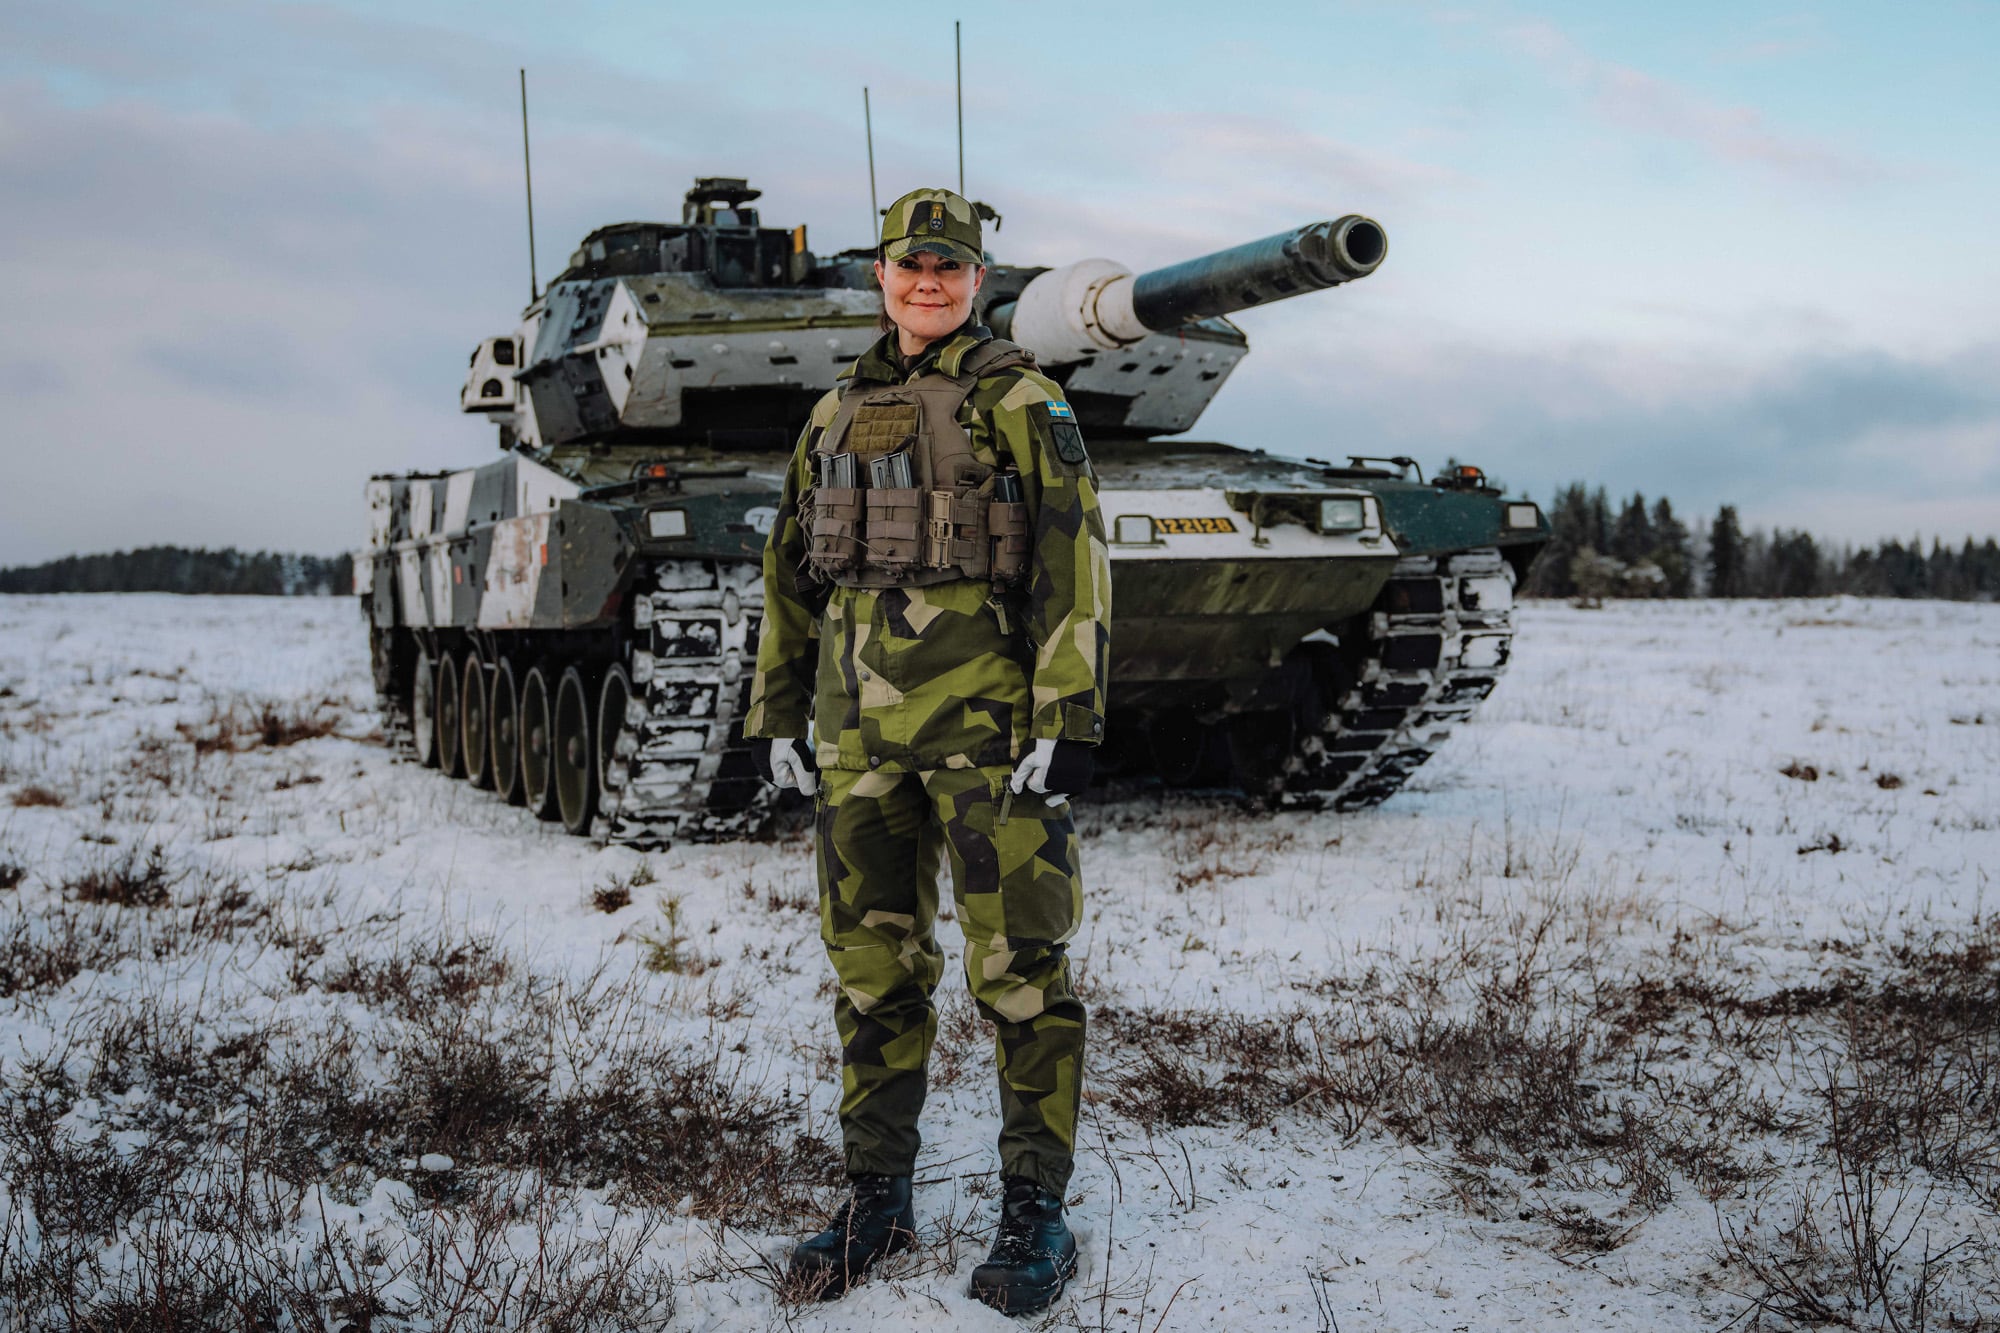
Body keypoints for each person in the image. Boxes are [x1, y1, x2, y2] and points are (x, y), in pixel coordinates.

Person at [744, 186, 1111, 1314]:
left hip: (987, 739)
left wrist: (1068, 714)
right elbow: (791, 577)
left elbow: (1071, 559)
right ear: (883, 277)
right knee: (872, 975)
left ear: (978, 281)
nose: (928, 283)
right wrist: (777, 716)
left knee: (1019, 980)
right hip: (859, 742)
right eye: (911, 265)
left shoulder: (1021, 400)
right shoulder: (831, 415)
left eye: (950, 267)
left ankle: (1033, 1209)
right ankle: (876, 1197)